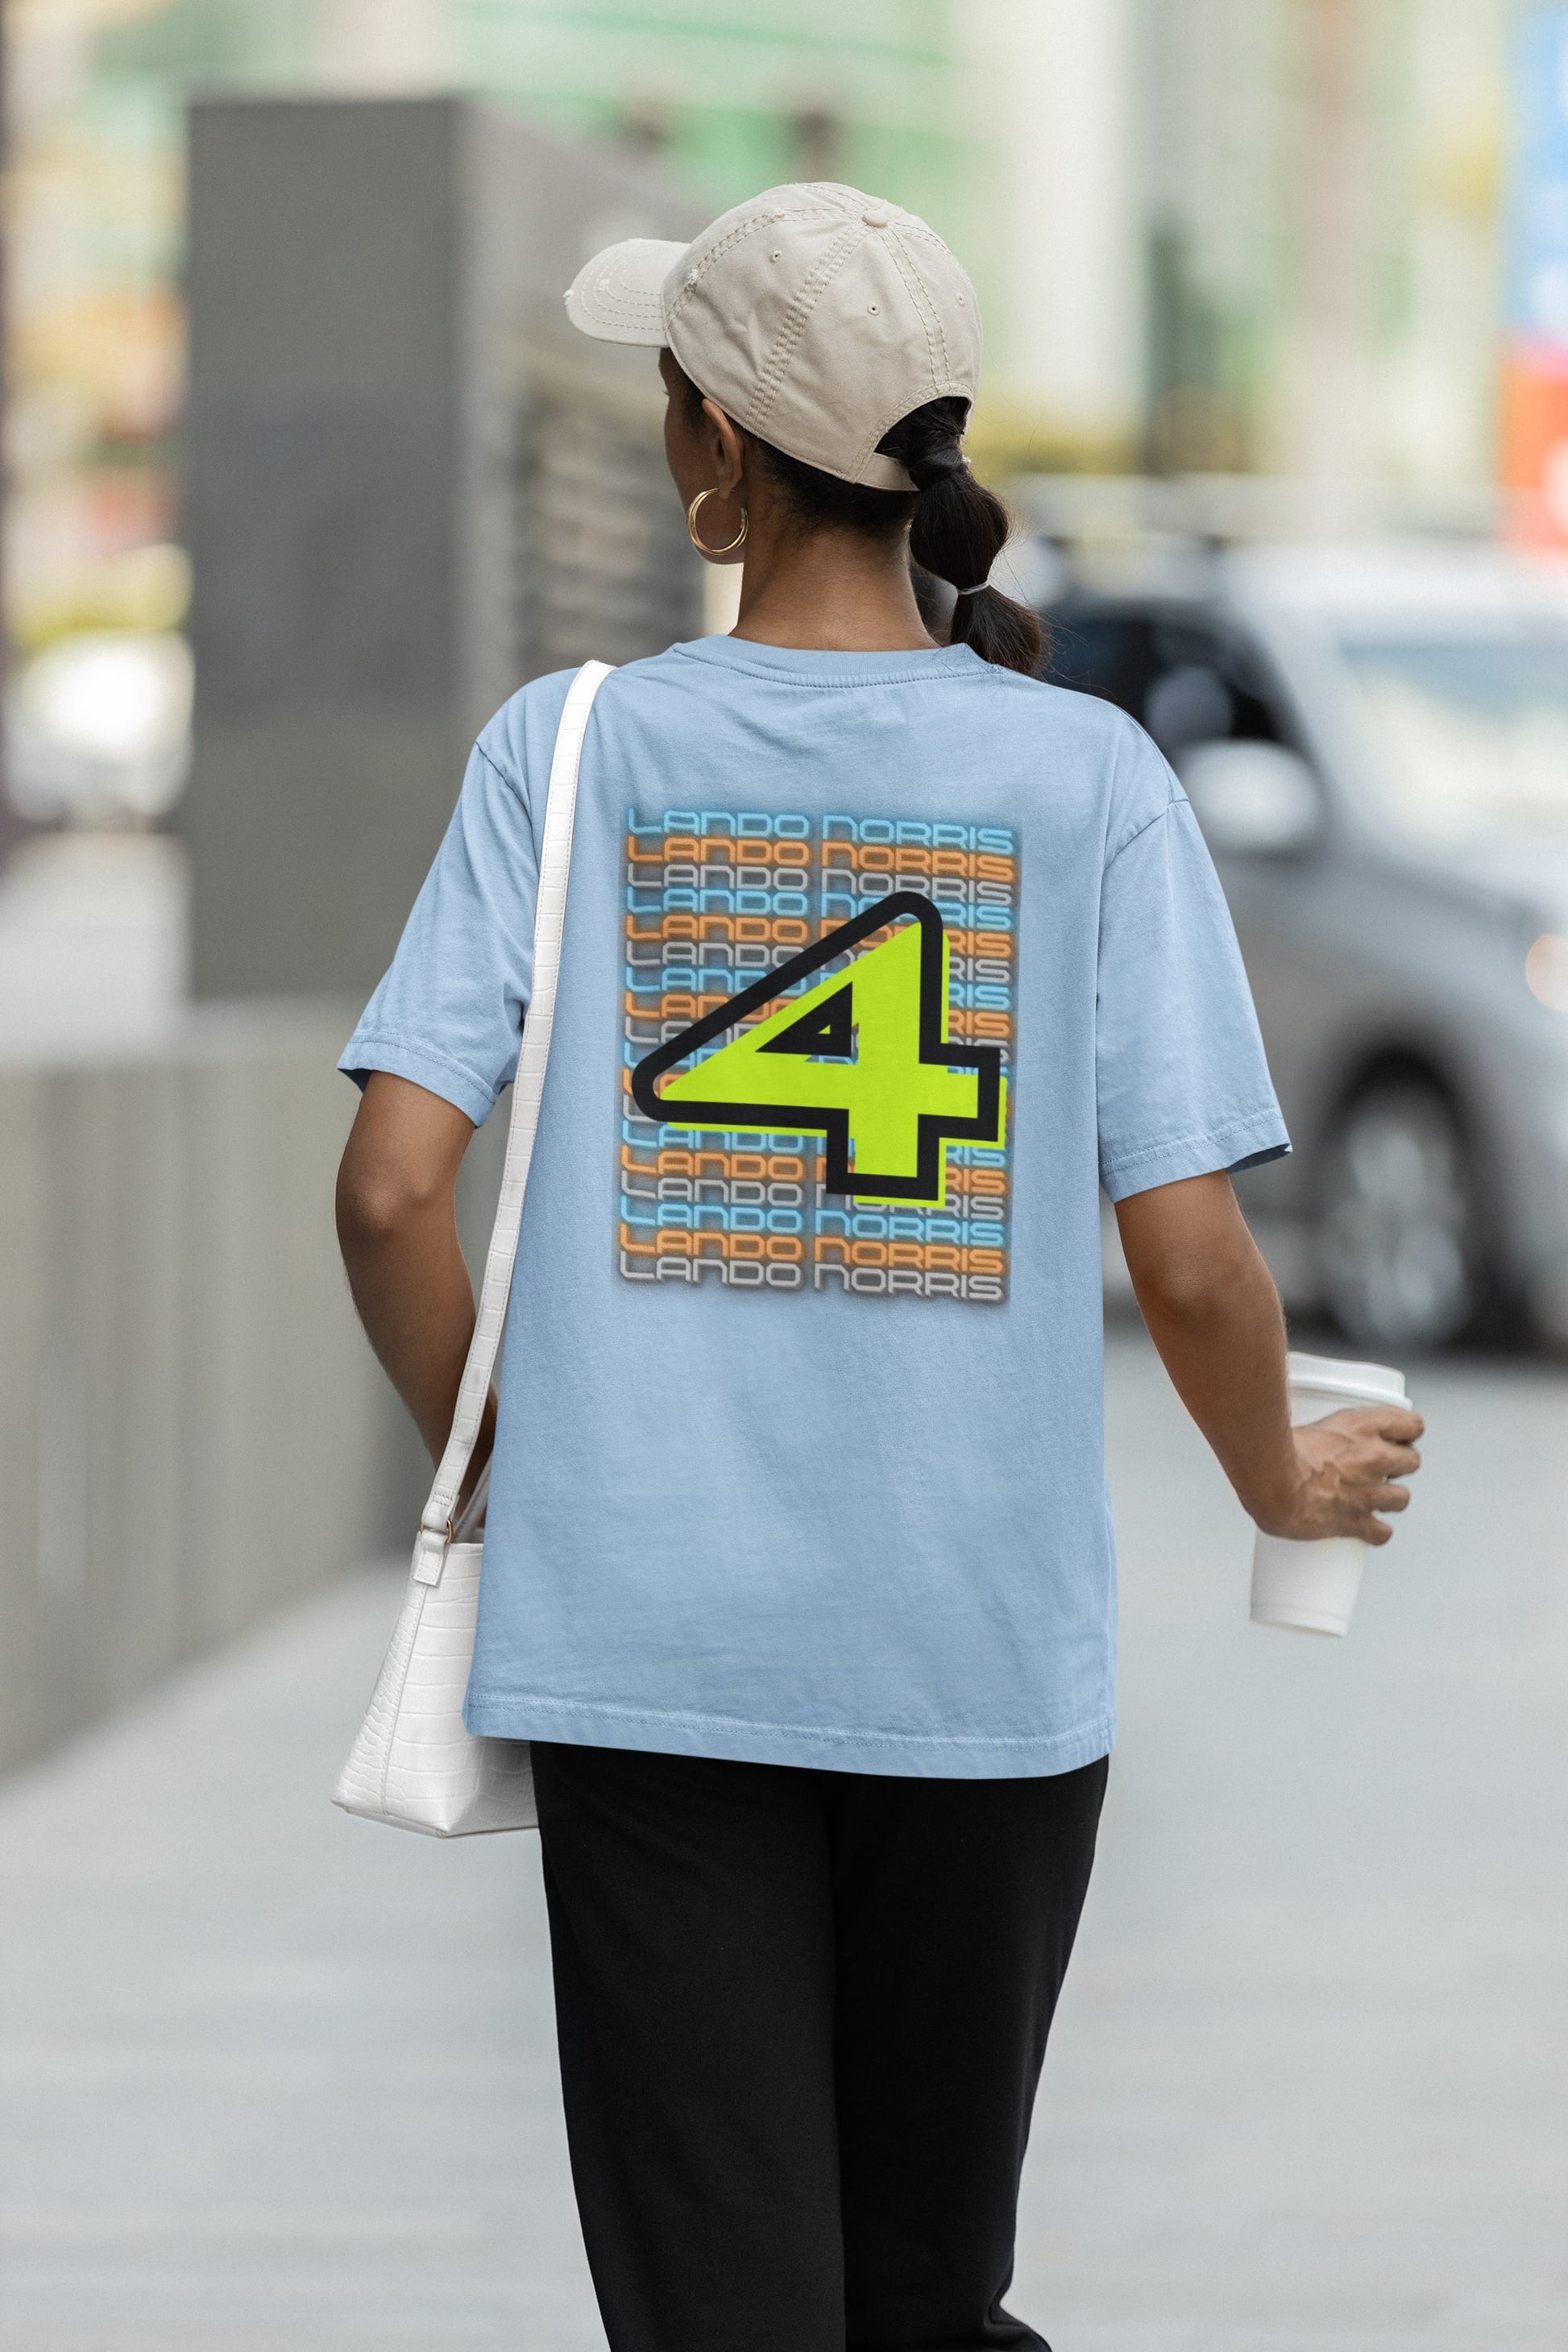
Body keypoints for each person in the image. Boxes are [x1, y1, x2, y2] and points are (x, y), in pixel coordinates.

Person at [334, 185, 1423, 2352]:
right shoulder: (1086, 777)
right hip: (977, 1661)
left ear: (710, 446)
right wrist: (1278, 1481)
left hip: (643, 1650)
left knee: (724, 2305)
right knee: (928, 2295)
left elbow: (387, 1191)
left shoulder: (566, 752)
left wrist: (520, 1474)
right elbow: (1193, 1255)